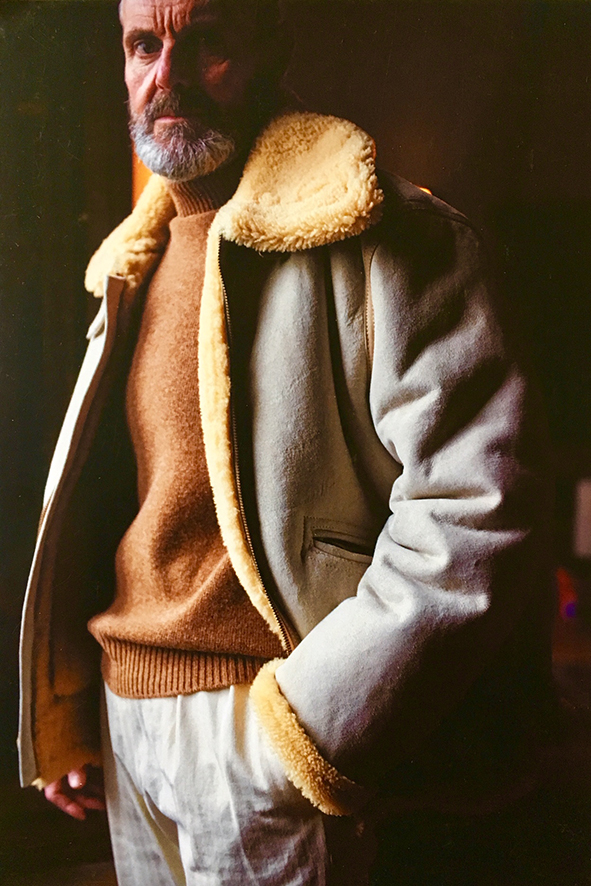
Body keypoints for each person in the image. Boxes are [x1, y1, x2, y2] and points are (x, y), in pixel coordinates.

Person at [18, 0, 555, 883]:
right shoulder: (129, 261)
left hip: (264, 731)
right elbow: (116, 517)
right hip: (125, 720)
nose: (166, 78)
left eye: (206, 43)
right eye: (143, 46)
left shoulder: (394, 233)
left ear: (271, 45)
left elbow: (475, 505)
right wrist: (72, 704)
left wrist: (309, 729)